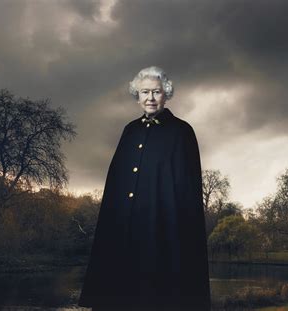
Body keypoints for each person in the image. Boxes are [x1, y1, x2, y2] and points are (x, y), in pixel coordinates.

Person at [78, 66, 211, 311]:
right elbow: (116, 183)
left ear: (166, 94)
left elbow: (186, 190)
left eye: (156, 92)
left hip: (161, 232)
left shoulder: (181, 132)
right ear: (137, 96)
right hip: (124, 233)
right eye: (144, 92)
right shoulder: (130, 131)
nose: (150, 98)